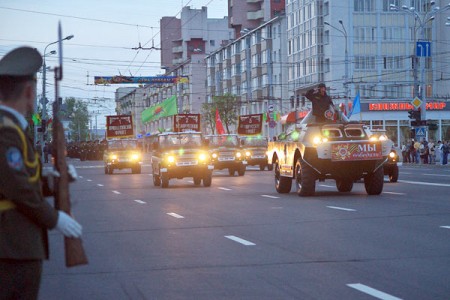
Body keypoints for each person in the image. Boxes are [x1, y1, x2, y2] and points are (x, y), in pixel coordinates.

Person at [0, 47, 82, 300]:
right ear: (28, 92)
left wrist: (56, 181)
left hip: (16, 246)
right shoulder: (6, 132)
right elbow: (17, 188)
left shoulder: (13, 128)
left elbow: (23, 180)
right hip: (11, 247)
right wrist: (54, 218)